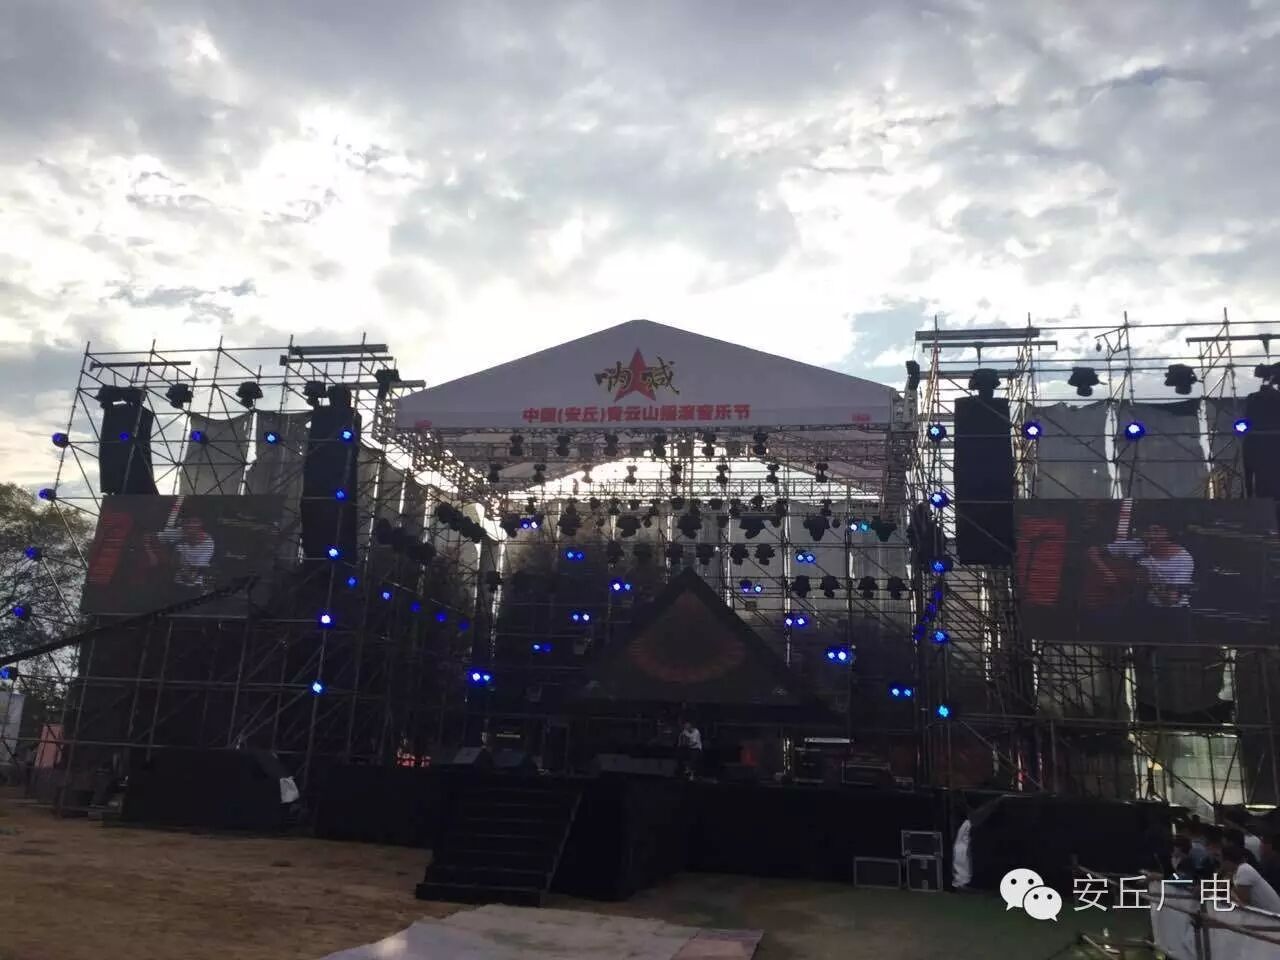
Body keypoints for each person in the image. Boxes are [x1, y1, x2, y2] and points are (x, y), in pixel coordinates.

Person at [1102, 523, 1193, 607]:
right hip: (1133, 605)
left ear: (1168, 534)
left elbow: (1170, 600)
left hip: (1170, 611)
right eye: (1148, 531)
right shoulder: (1135, 546)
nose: (1151, 535)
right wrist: (1107, 572)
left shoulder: (1183, 559)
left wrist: (1148, 582)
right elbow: (1096, 551)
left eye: (1156, 531)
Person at [1220, 844, 1280, 912]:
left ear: (1227, 862)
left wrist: (1228, 894)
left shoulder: (1244, 870)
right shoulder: (1237, 872)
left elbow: (1244, 903)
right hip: (1265, 913)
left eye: (1222, 860)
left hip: (1274, 914)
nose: (1221, 865)